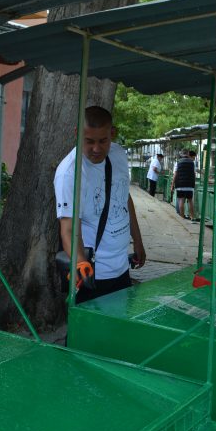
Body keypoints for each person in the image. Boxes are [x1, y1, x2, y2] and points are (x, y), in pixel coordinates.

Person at [54, 106, 146, 303]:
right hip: (93, 273)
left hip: (122, 268)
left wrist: (137, 240)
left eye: (103, 141)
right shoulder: (69, 173)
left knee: (118, 329)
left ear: (112, 134)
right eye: (89, 141)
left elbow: (124, 198)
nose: (96, 149)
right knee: (89, 332)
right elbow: (68, 228)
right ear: (78, 134)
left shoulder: (119, 155)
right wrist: (80, 264)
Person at [172, 149, 197, 221]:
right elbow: (194, 174)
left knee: (181, 201)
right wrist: (193, 183)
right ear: (188, 154)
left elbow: (175, 174)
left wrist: (172, 185)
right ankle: (192, 217)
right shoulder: (192, 163)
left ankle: (182, 217)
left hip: (180, 185)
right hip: (189, 185)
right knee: (190, 201)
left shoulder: (178, 162)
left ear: (181, 154)